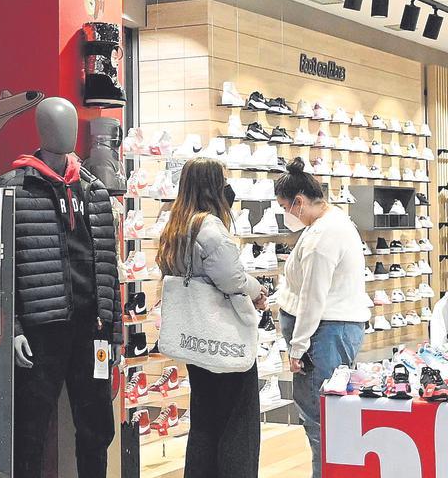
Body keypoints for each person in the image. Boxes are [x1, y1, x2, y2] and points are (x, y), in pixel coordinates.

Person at [156, 157, 267, 478]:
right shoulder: (210, 227)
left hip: (195, 336)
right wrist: (257, 289)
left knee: (205, 417)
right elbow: (232, 278)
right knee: (238, 419)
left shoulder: (176, 224)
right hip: (223, 338)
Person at [273, 158, 370, 478]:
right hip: (330, 330)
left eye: (285, 207)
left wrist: (298, 347)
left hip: (324, 334)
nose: (286, 215)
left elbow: (313, 298)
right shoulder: (330, 222)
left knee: (322, 423)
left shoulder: (322, 237)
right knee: (326, 420)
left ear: (299, 202)